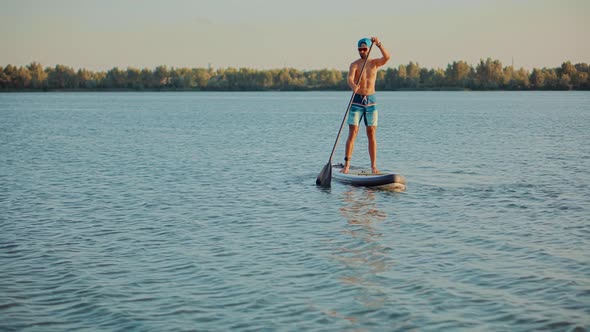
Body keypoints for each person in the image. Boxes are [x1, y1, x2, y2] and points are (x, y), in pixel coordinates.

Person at [342, 37, 390, 174]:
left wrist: (379, 44)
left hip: (371, 101)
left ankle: (374, 166)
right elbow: (349, 78)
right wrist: (353, 86)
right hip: (357, 100)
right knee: (353, 133)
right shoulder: (355, 65)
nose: (362, 51)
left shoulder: (375, 63)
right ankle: (346, 166)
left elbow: (387, 57)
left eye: (364, 49)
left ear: (369, 49)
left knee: (371, 134)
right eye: (360, 49)